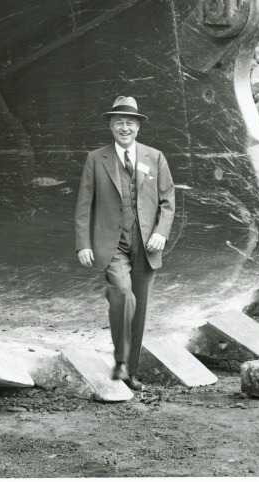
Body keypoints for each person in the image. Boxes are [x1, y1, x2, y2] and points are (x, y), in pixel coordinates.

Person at [74, 96, 174, 391]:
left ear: (138, 127)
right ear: (111, 126)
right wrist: (83, 244)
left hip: (146, 244)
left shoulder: (155, 157)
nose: (125, 128)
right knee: (122, 295)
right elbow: (84, 204)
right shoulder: (96, 159)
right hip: (112, 244)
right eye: (119, 122)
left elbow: (168, 201)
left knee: (139, 309)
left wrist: (161, 233)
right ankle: (120, 360)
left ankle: (130, 372)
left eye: (130, 122)